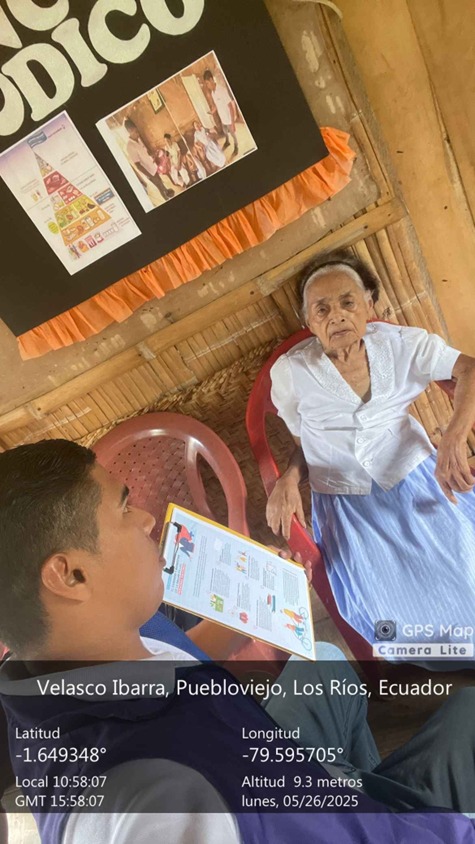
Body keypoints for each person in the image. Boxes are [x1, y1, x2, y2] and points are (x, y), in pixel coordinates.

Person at [1, 441, 475, 844]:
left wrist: (256, 605)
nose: (146, 519)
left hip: (284, 777)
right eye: (123, 508)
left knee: (325, 663)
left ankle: (362, 785)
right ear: (70, 575)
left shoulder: (65, 654)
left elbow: (177, 659)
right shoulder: (165, 803)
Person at [267, 250, 475, 658]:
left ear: (369, 304)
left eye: (348, 302)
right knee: (393, 609)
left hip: (417, 476)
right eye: (322, 309)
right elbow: (304, 444)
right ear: (308, 322)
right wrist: (288, 478)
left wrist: (454, 435)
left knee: (463, 571)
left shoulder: (402, 344)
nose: (337, 316)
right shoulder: (291, 373)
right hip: (346, 503)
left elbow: (469, 369)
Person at [124, 118, 174, 202]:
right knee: (160, 186)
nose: (138, 133)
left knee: (161, 184)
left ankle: (168, 194)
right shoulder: (130, 146)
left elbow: (145, 154)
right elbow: (138, 165)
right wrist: (150, 176)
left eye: (137, 131)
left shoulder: (138, 140)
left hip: (153, 167)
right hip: (148, 172)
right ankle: (166, 199)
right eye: (135, 132)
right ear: (129, 131)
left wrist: (153, 156)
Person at [203, 69, 239, 156]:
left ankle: (236, 146)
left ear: (211, 79)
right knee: (225, 132)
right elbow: (216, 105)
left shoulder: (222, 90)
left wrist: (233, 123)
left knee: (233, 134)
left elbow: (230, 106)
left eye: (207, 83)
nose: (207, 86)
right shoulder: (213, 93)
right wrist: (212, 111)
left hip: (229, 119)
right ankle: (227, 142)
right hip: (222, 118)